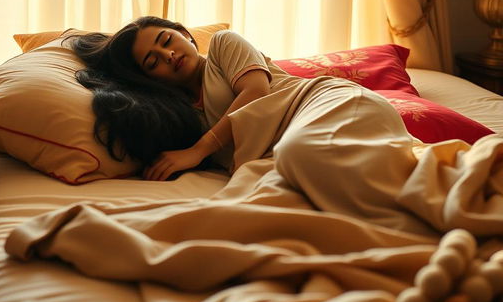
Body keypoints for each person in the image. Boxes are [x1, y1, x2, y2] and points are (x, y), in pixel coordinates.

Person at [73, 15, 436, 233]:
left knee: (302, 153)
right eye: (154, 63)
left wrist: (197, 151)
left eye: (167, 41)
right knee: (245, 210)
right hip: (287, 148)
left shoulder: (222, 46)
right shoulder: (181, 115)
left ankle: (414, 221)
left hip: (324, 103)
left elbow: (257, 91)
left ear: (183, 33)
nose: (169, 55)